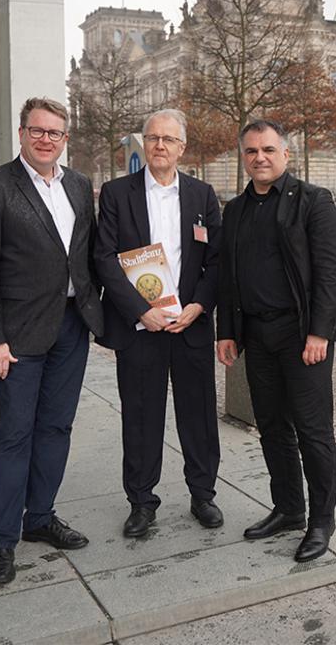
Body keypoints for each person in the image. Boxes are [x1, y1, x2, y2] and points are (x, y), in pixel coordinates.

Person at [0, 96, 104, 587]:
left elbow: (87, 256)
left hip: (71, 325)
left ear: (66, 139)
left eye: (56, 133)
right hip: (18, 334)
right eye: (38, 131)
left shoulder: (80, 186)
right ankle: (1, 542)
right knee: (14, 434)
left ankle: (39, 518)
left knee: (56, 428)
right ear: (22, 133)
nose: (47, 140)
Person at [216, 119, 336, 563]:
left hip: (302, 335)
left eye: (268, 150)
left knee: (313, 432)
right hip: (257, 334)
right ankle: (289, 508)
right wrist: (227, 332)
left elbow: (330, 274)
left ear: (285, 155)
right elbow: (227, 279)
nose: (260, 158)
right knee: (271, 428)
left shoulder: (313, 202)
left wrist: (319, 332)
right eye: (252, 151)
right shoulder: (234, 211)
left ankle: (321, 521)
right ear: (243, 157)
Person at [94, 108, 224, 537]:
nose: (160, 146)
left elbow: (216, 262)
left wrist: (199, 306)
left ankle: (203, 495)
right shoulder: (115, 194)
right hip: (141, 328)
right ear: (143, 143)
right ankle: (142, 502)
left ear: (182, 147)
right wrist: (139, 311)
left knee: (199, 415)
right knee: (141, 416)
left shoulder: (203, 195)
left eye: (169, 140)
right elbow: (104, 259)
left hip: (190, 326)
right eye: (153, 138)